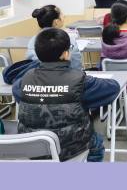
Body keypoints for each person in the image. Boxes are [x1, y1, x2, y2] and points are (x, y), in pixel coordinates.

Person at [13, 28, 120, 161]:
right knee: (96, 144)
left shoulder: (24, 80)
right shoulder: (80, 81)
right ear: (65, 54)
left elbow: (18, 95)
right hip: (71, 149)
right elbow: (113, 88)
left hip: (33, 149)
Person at [27, 5, 82, 70]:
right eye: (62, 15)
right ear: (56, 22)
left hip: (39, 75)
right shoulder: (68, 39)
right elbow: (76, 65)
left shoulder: (33, 40)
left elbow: (31, 63)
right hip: (66, 75)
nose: (64, 16)